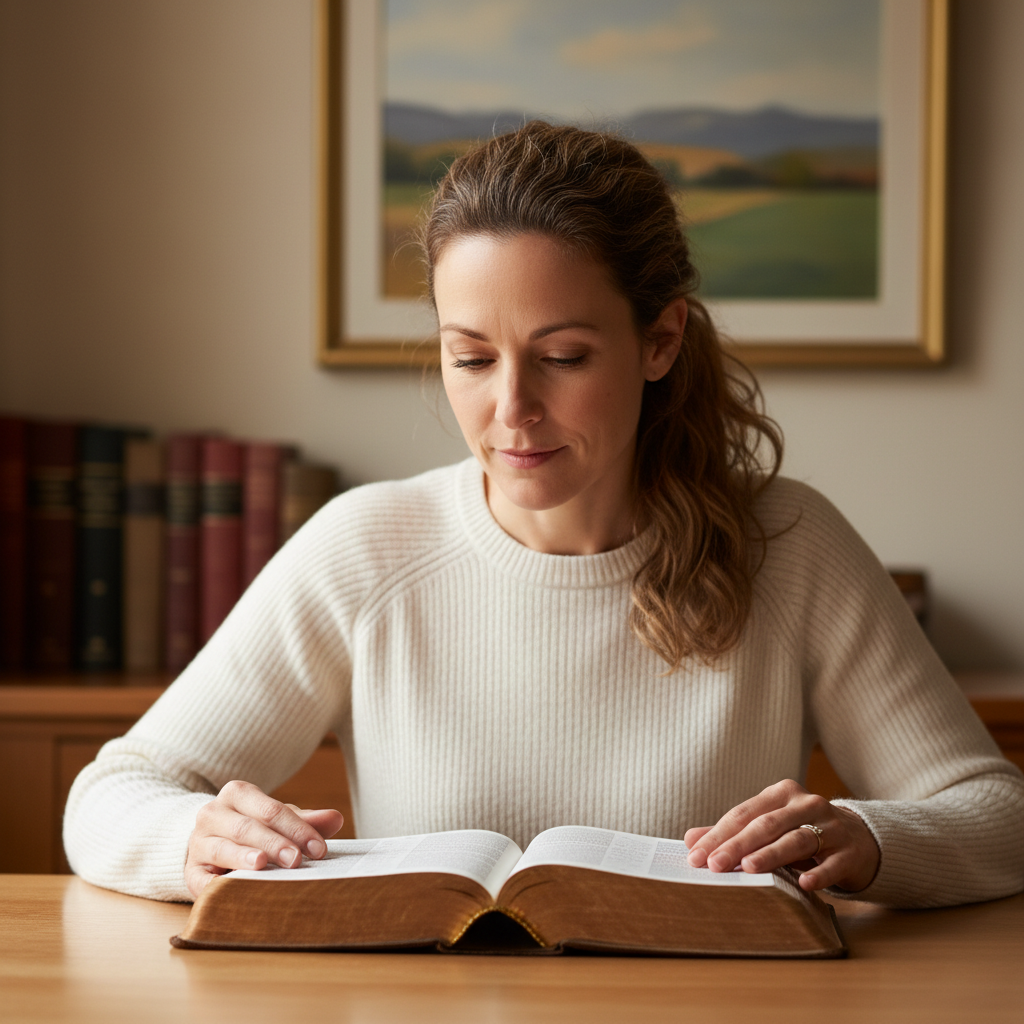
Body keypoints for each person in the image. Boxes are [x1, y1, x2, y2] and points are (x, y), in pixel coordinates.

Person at [64, 122, 1023, 907]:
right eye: (471, 358)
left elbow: (997, 811)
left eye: (562, 356)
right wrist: (192, 836)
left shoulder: (793, 545)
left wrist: (868, 835)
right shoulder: (364, 548)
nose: (511, 409)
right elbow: (106, 797)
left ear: (660, 339)